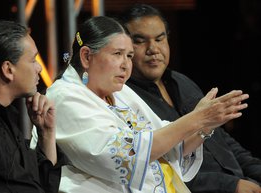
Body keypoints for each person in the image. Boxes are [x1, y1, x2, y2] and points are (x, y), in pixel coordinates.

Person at [36, 15, 249, 193]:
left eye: (129, 56)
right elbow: (125, 155)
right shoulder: (64, 96)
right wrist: (196, 119)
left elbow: (169, 144)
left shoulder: (120, 92)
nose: (126, 65)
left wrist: (205, 125)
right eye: (117, 54)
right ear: (86, 57)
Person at [119, 4, 261, 193]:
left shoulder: (181, 81)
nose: (153, 49)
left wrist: (256, 171)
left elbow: (222, 140)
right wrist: (230, 186)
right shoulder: (124, 99)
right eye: (140, 41)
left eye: (160, 39)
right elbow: (157, 169)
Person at [0, 20, 63, 193]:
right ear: (8, 69)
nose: (39, 68)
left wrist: (46, 132)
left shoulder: (6, 116)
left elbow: (42, 184)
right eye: (33, 60)